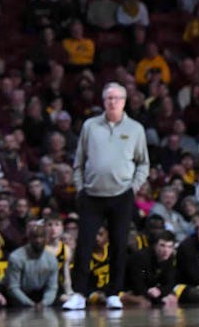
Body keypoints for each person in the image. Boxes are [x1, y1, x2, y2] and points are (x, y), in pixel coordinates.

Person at [62, 82, 147, 310]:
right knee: (85, 245)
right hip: (91, 195)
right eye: (109, 98)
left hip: (122, 195)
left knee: (119, 245)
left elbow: (143, 163)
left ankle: (114, 293)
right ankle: (79, 294)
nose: (113, 102)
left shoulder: (136, 129)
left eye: (117, 98)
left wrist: (133, 187)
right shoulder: (90, 126)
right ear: (103, 101)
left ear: (124, 101)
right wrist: (80, 188)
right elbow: (78, 161)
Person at [3, 221, 58, 309]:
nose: (38, 240)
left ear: (46, 239)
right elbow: (13, 287)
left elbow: (52, 288)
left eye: (41, 237)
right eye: (35, 237)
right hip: (15, 294)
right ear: (29, 238)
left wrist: (44, 303)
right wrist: (31, 305)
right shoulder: (16, 257)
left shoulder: (52, 259)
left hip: (38, 293)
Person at [123, 229, 178, 308]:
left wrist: (160, 291)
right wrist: (150, 292)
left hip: (152, 289)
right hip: (130, 289)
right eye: (162, 245)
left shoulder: (170, 258)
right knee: (144, 303)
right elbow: (137, 284)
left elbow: (170, 282)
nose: (166, 250)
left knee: (172, 300)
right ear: (155, 245)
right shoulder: (141, 257)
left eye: (170, 247)